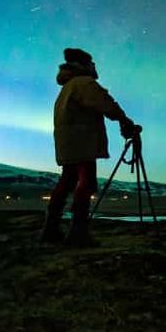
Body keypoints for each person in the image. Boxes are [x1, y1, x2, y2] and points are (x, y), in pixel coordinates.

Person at [41, 48, 140, 246]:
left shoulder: (67, 87)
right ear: (83, 65)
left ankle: (51, 229)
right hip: (81, 142)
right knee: (86, 183)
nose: (94, 66)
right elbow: (105, 103)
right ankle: (78, 233)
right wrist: (124, 120)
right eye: (91, 63)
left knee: (67, 182)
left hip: (69, 142)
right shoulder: (83, 83)